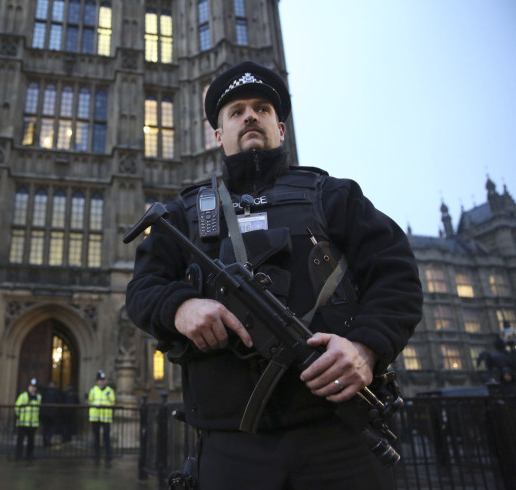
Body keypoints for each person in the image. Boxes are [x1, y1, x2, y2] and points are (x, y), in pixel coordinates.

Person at [125, 61, 423, 489]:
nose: (250, 116)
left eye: (262, 108)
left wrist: (365, 347)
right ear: (218, 135)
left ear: (280, 128)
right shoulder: (183, 214)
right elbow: (142, 290)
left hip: (337, 436)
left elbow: (397, 276)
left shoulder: (332, 196)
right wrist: (181, 307)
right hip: (232, 444)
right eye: (237, 111)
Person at [88, 370, 115, 464]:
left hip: (106, 417)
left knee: (106, 436)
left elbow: (112, 402)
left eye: (103, 379)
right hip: (95, 417)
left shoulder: (110, 391)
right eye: (100, 379)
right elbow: (90, 401)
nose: (101, 381)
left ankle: (108, 455)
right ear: (97, 381)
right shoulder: (93, 390)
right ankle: (96, 455)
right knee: (96, 437)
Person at [14, 378, 41, 461]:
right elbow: (17, 407)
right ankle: (19, 456)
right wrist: (20, 416)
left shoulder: (38, 397)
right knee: (20, 440)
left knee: (31, 441)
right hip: (23, 422)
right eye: (31, 386)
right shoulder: (23, 396)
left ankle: (29, 455)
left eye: (34, 387)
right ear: (28, 387)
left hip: (33, 423)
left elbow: (38, 409)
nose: (33, 388)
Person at [40, 381, 62, 448]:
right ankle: (48, 438)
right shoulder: (56, 392)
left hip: (44, 413)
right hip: (53, 413)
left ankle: (45, 442)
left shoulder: (44, 392)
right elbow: (59, 401)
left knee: (45, 428)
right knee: (52, 427)